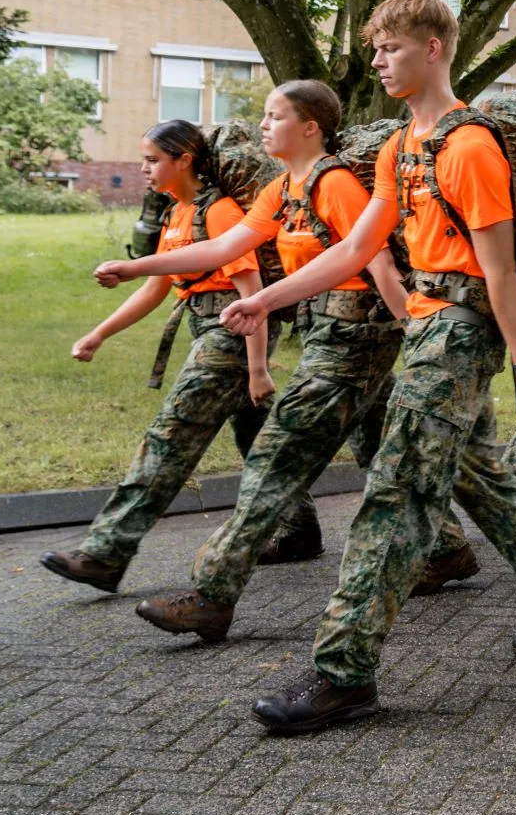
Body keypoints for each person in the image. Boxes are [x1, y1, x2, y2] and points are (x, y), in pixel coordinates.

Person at [222, 0, 516, 734]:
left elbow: (499, 273)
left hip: (461, 329)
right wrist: (268, 299)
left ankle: (344, 671)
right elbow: (355, 248)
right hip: (424, 326)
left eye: (391, 47)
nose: (378, 59)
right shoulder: (403, 146)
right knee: (478, 477)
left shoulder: (470, 147)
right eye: (374, 48)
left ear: (434, 49)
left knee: (398, 490)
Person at [86, 84, 411, 641]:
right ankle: (474, 558)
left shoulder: (333, 183)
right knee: (412, 449)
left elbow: (374, 258)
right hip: (326, 333)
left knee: (274, 458)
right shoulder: (283, 190)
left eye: (274, 116)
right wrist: (136, 266)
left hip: (357, 335)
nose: (262, 126)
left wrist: (416, 328)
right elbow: (221, 249)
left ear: (310, 126)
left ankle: (212, 595)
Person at [38, 120, 273, 594]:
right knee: (263, 440)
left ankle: (106, 553)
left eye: (151, 159)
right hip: (206, 330)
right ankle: (298, 530)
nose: (142, 168)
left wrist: (256, 367)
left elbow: (253, 292)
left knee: (169, 438)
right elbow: (154, 290)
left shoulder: (221, 213)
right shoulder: (175, 215)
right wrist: (99, 334)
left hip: (229, 337)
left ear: (183, 159)